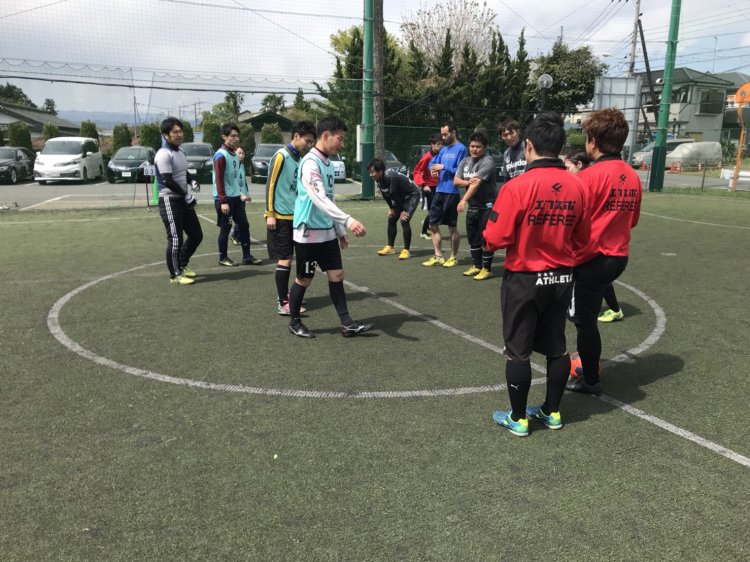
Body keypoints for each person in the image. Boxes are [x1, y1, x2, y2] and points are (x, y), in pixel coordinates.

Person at [483, 111, 590, 437]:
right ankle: (552, 411)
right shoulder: (578, 186)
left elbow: (494, 238)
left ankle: (518, 418)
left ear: (528, 145)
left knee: (518, 350)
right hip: (561, 277)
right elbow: (583, 238)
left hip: (525, 278)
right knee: (557, 347)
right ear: (560, 147)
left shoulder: (516, 186)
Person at [566, 108, 642, 396]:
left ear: (593, 142)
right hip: (618, 257)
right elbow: (632, 220)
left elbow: (571, 222)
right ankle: (588, 364)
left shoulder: (587, 177)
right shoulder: (632, 175)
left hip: (590, 259)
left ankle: (590, 380)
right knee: (584, 317)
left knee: (583, 322)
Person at [287, 116, 372, 339]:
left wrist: (339, 230)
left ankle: (347, 323)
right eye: (340, 139)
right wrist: (348, 221)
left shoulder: (328, 163)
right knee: (304, 279)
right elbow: (319, 199)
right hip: (308, 234)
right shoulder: (310, 163)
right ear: (326, 135)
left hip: (327, 233)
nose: (342, 144)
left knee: (336, 275)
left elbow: (330, 200)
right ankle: (294, 322)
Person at [264, 120, 317, 315]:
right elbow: (270, 185)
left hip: (295, 217)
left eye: (312, 142)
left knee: (293, 258)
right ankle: (283, 302)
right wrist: (270, 213)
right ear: (296, 136)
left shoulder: (299, 159)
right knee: (284, 259)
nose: (310, 145)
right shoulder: (281, 156)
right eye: (307, 141)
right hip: (279, 217)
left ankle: (287, 295)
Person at [566, 151, 625, 323]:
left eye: (567, 167)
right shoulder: (592, 179)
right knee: (600, 279)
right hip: (603, 245)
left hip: (593, 244)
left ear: (579, 165)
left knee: (581, 276)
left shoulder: (587, 181)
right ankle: (615, 309)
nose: (565, 171)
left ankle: (576, 311)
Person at [154, 116, 203, 285]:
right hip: (170, 201)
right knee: (175, 239)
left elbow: (183, 172)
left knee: (196, 235)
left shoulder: (181, 152)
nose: (179, 134)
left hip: (183, 199)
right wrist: (186, 195)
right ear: (166, 135)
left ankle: (182, 263)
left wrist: (192, 181)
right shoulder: (163, 154)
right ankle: (175, 274)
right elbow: (167, 180)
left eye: (180, 131)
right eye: (175, 132)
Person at [212, 124, 260, 267]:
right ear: (224, 137)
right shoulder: (221, 155)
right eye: (233, 136)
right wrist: (223, 201)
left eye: (237, 136)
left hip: (236, 198)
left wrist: (241, 194)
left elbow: (234, 180)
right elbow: (219, 180)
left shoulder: (234, 155)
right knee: (225, 229)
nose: (236, 138)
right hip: (225, 199)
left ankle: (247, 256)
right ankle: (223, 258)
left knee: (244, 225)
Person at [454, 131, 498, 281]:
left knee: (485, 238)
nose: (474, 149)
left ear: (484, 148)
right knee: (473, 238)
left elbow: (476, 184)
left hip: (487, 207)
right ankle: (477, 266)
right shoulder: (465, 161)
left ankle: (487, 269)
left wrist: (463, 200)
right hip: (473, 207)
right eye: (472, 146)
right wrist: (467, 182)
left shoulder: (488, 161)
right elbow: (456, 181)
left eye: (478, 147)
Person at [422, 121, 467, 268]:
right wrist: (433, 170)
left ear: (453, 133)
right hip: (439, 191)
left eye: (445, 134)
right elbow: (432, 163)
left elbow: (461, 171)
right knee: (433, 224)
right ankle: (438, 256)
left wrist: (443, 167)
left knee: (452, 227)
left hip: (452, 192)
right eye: (442, 134)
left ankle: (453, 257)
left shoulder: (462, 149)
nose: (443, 137)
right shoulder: (443, 150)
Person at [369, 159, 421, 260]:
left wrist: (402, 211)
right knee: (392, 218)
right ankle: (390, 247)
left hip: (412, 195)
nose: (371, 174)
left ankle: (406, 250)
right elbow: (385, 194)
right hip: (401, 197)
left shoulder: (390, 177)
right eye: (370, 172)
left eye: (373, 172)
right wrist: (391, 208)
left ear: (380, 171)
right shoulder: (379, 179)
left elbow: (393, 194)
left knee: (404, 219)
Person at [412, 133, 442, 239]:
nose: (440, 146)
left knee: (438, 211)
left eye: (441, 144)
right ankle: (424, 232)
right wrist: (423, 184)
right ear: (432, 145)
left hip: (439, 187)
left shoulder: (441, 155)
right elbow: (416, 172)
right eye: (438, 144)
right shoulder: (427, 157)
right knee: (433, 212)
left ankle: (428, 222)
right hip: (429, 188)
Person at [228, 146, 249, 247]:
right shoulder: (233, 166)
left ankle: (237, 235)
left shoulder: (242, 166)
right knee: (240, 218)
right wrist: (241, 194)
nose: (241, 155)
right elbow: (233, 183)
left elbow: (243, 181)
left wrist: (246, 193)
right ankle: (234, 235)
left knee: (242, 218)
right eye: (239, 153)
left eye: (243, 153)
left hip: (243, 196)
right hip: (236, 196)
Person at [498, 118, 527, 185]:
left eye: (511, 133)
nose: (509, 137)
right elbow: (506, 179)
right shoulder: (506, 153)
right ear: (501, 137)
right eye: (505, 135)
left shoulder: (528, 148)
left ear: (518, 131)